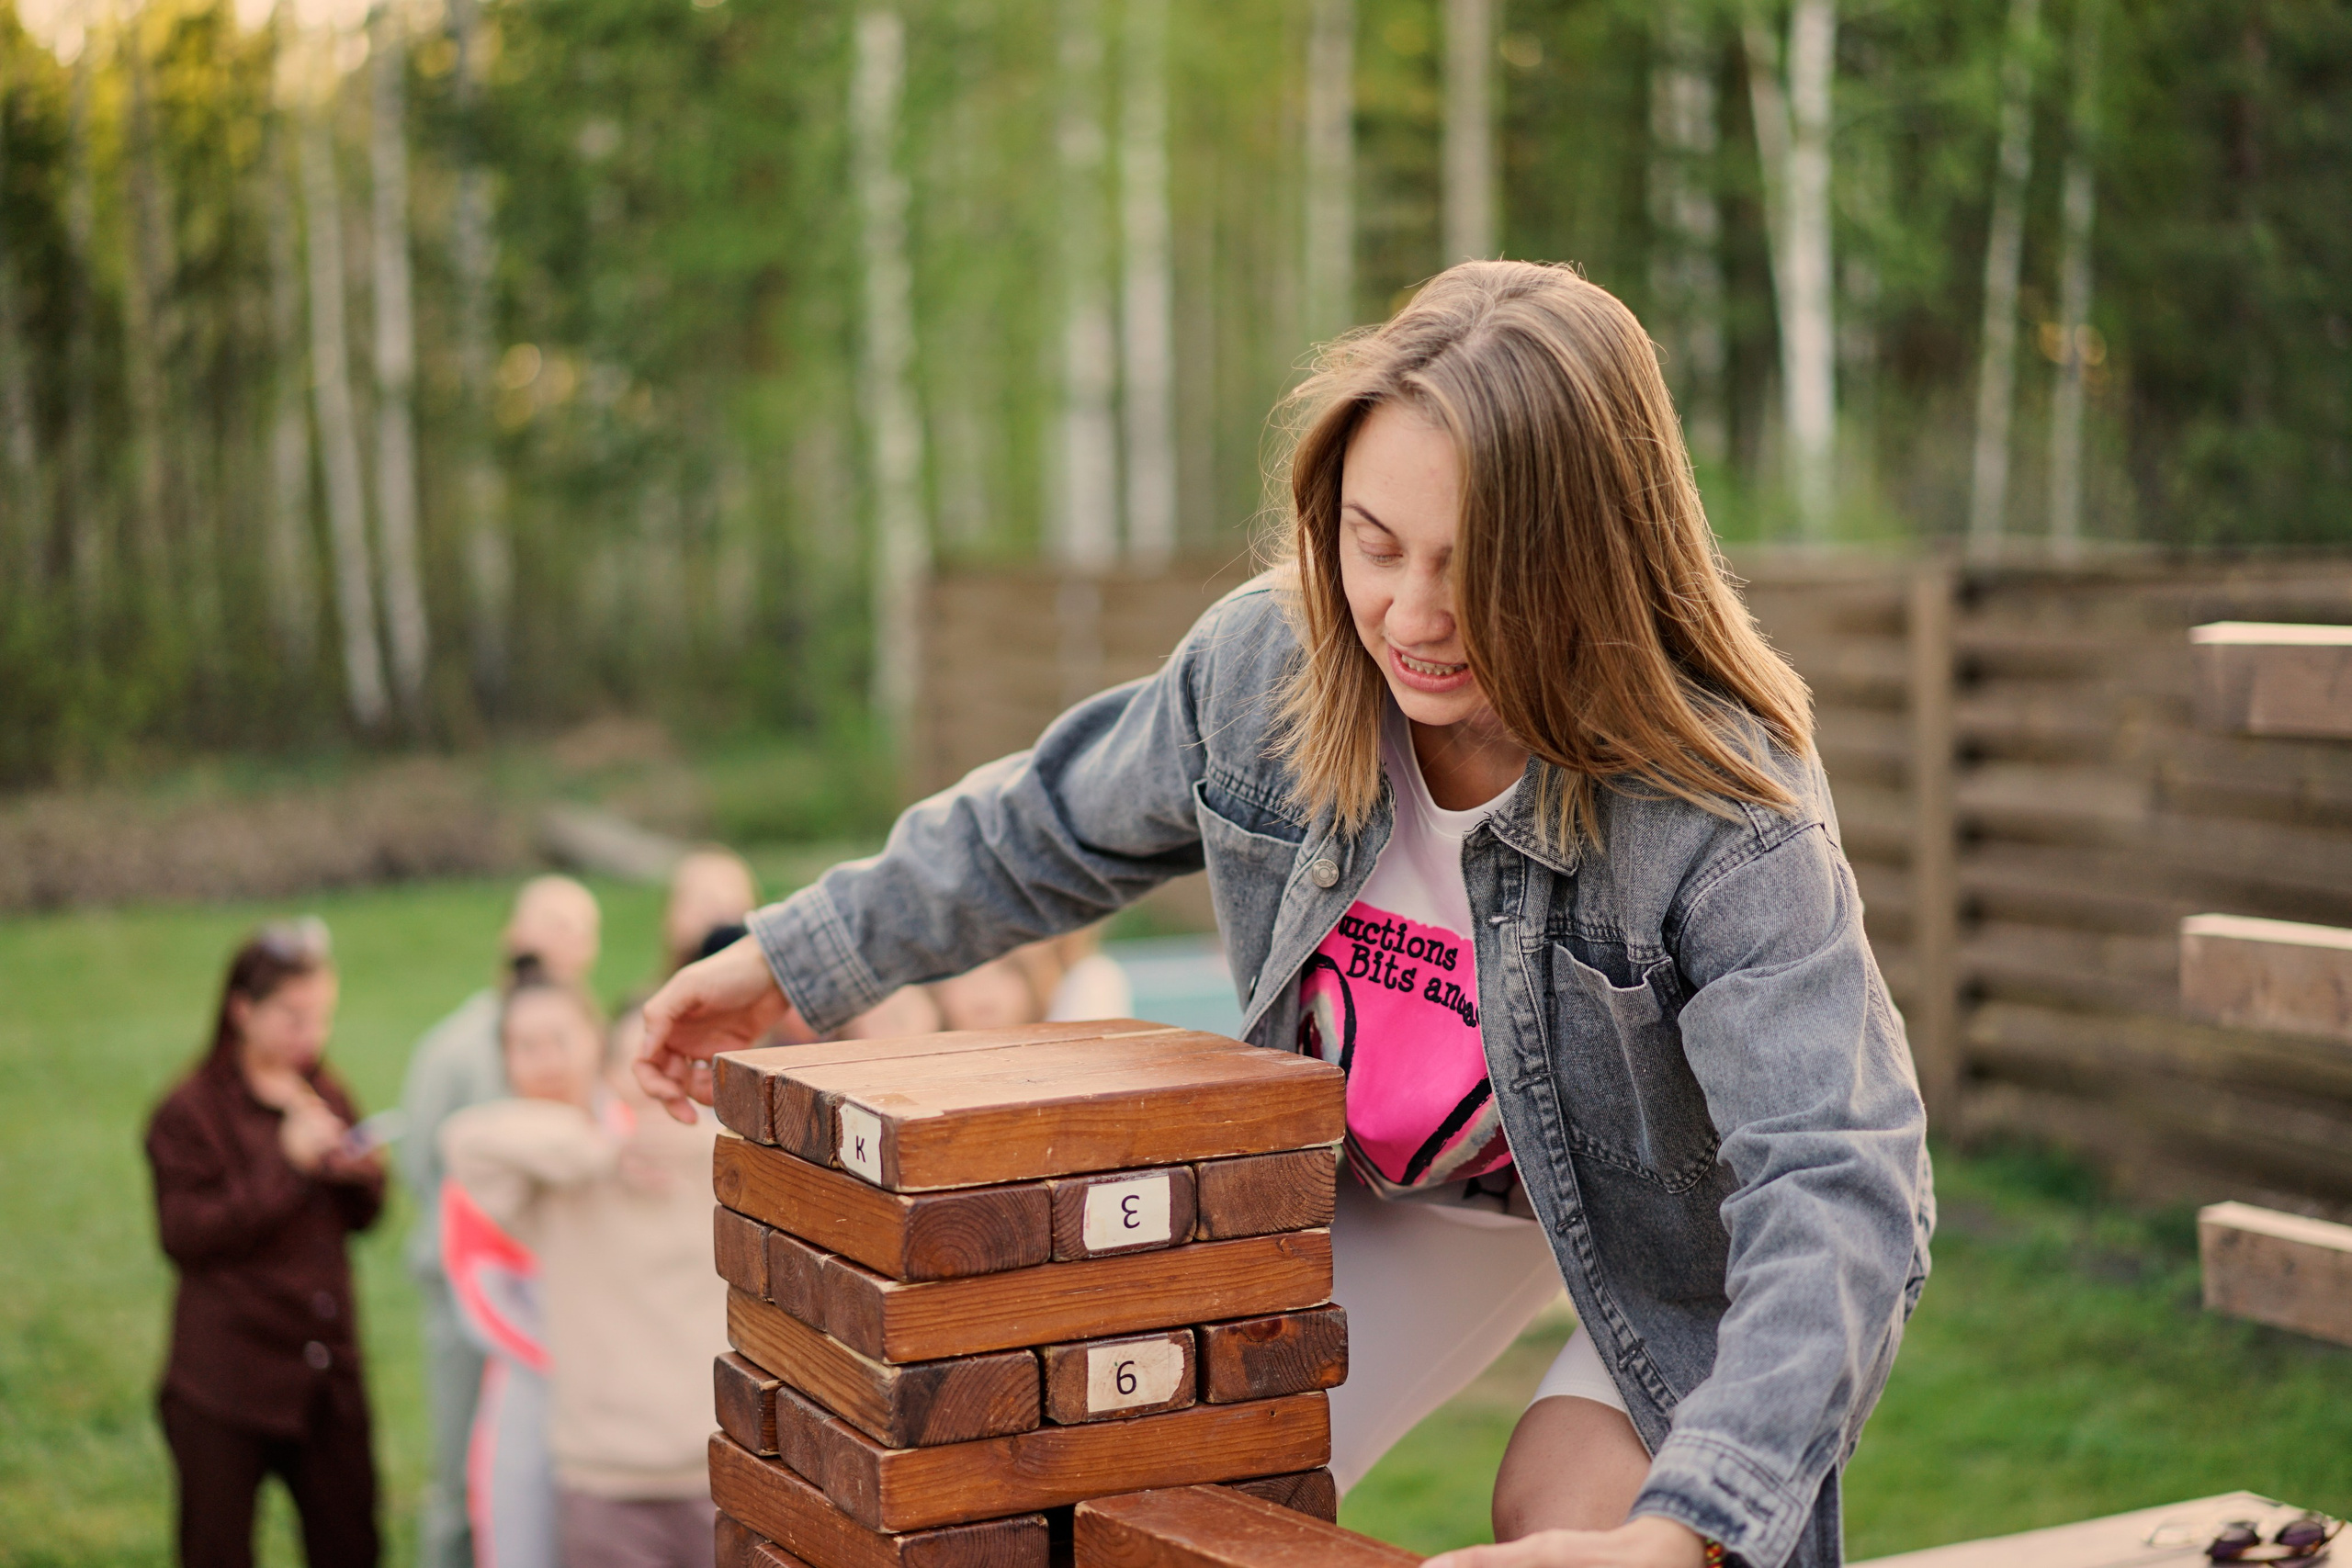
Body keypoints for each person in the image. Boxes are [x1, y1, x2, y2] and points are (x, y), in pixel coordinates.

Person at [637, 262, 1934, 1568]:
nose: (1413, 618)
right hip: (1381, 1185)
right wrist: (785, 954)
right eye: (1375, 544)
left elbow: (1844, 1175)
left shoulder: (1720, 804)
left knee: (1571, 1517)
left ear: (1590, 564)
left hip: (1656, 1225)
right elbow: (1042, 824)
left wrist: (1687, 1528)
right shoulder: (1271, 662)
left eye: (1474, 569)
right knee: (1151, 1491)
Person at [444, 980, 728, 1568]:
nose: (657, 1079)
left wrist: (694, 1148)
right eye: (641, 1062)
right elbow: (466, 1143)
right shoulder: (567, 1182)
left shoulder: (726, 1172)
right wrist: (603, 1155)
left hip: (718, 1470)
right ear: (611, 1073)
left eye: (677, 1062)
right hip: (605, 1483)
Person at [145, 918, 388, 1568]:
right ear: (242, 1009)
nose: (312, 1036)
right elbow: (185, 1235)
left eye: (323, 1018)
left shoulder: (323, 1086)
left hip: (325, 1372)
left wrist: (359, 1171)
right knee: (216, 1548)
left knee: (350, 1544)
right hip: (227, 1381)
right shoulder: (188, 1111)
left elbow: (365, 1218)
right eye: (294, 1017)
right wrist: (284, 1165)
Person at [401, 875, 602, 1568]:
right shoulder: (454, 1047)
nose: (562, 939)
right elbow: (425, 1161)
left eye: (579, 927)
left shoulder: (599, 1069)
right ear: (512, 932)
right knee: (466, 1474)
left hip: (578, 1316)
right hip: (479, 1291)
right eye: (550, 921)